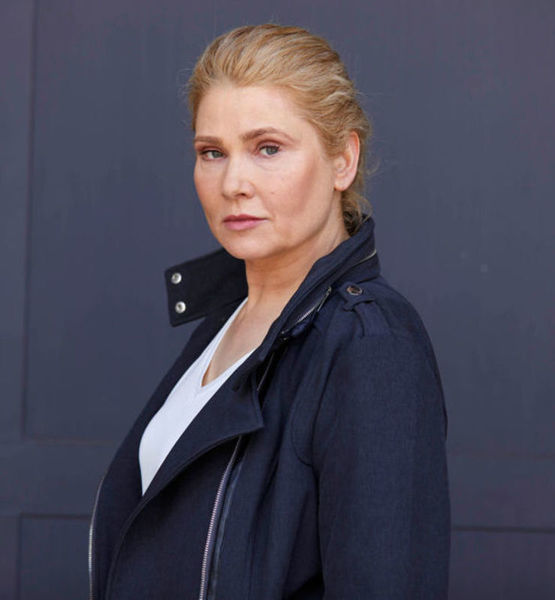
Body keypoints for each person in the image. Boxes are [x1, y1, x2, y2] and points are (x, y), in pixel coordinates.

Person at [88, 23, 450, 600]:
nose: (234, 182)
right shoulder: (226, 317)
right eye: (212, 153)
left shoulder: (371, 344)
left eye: (268, 148)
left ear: (342, 160)